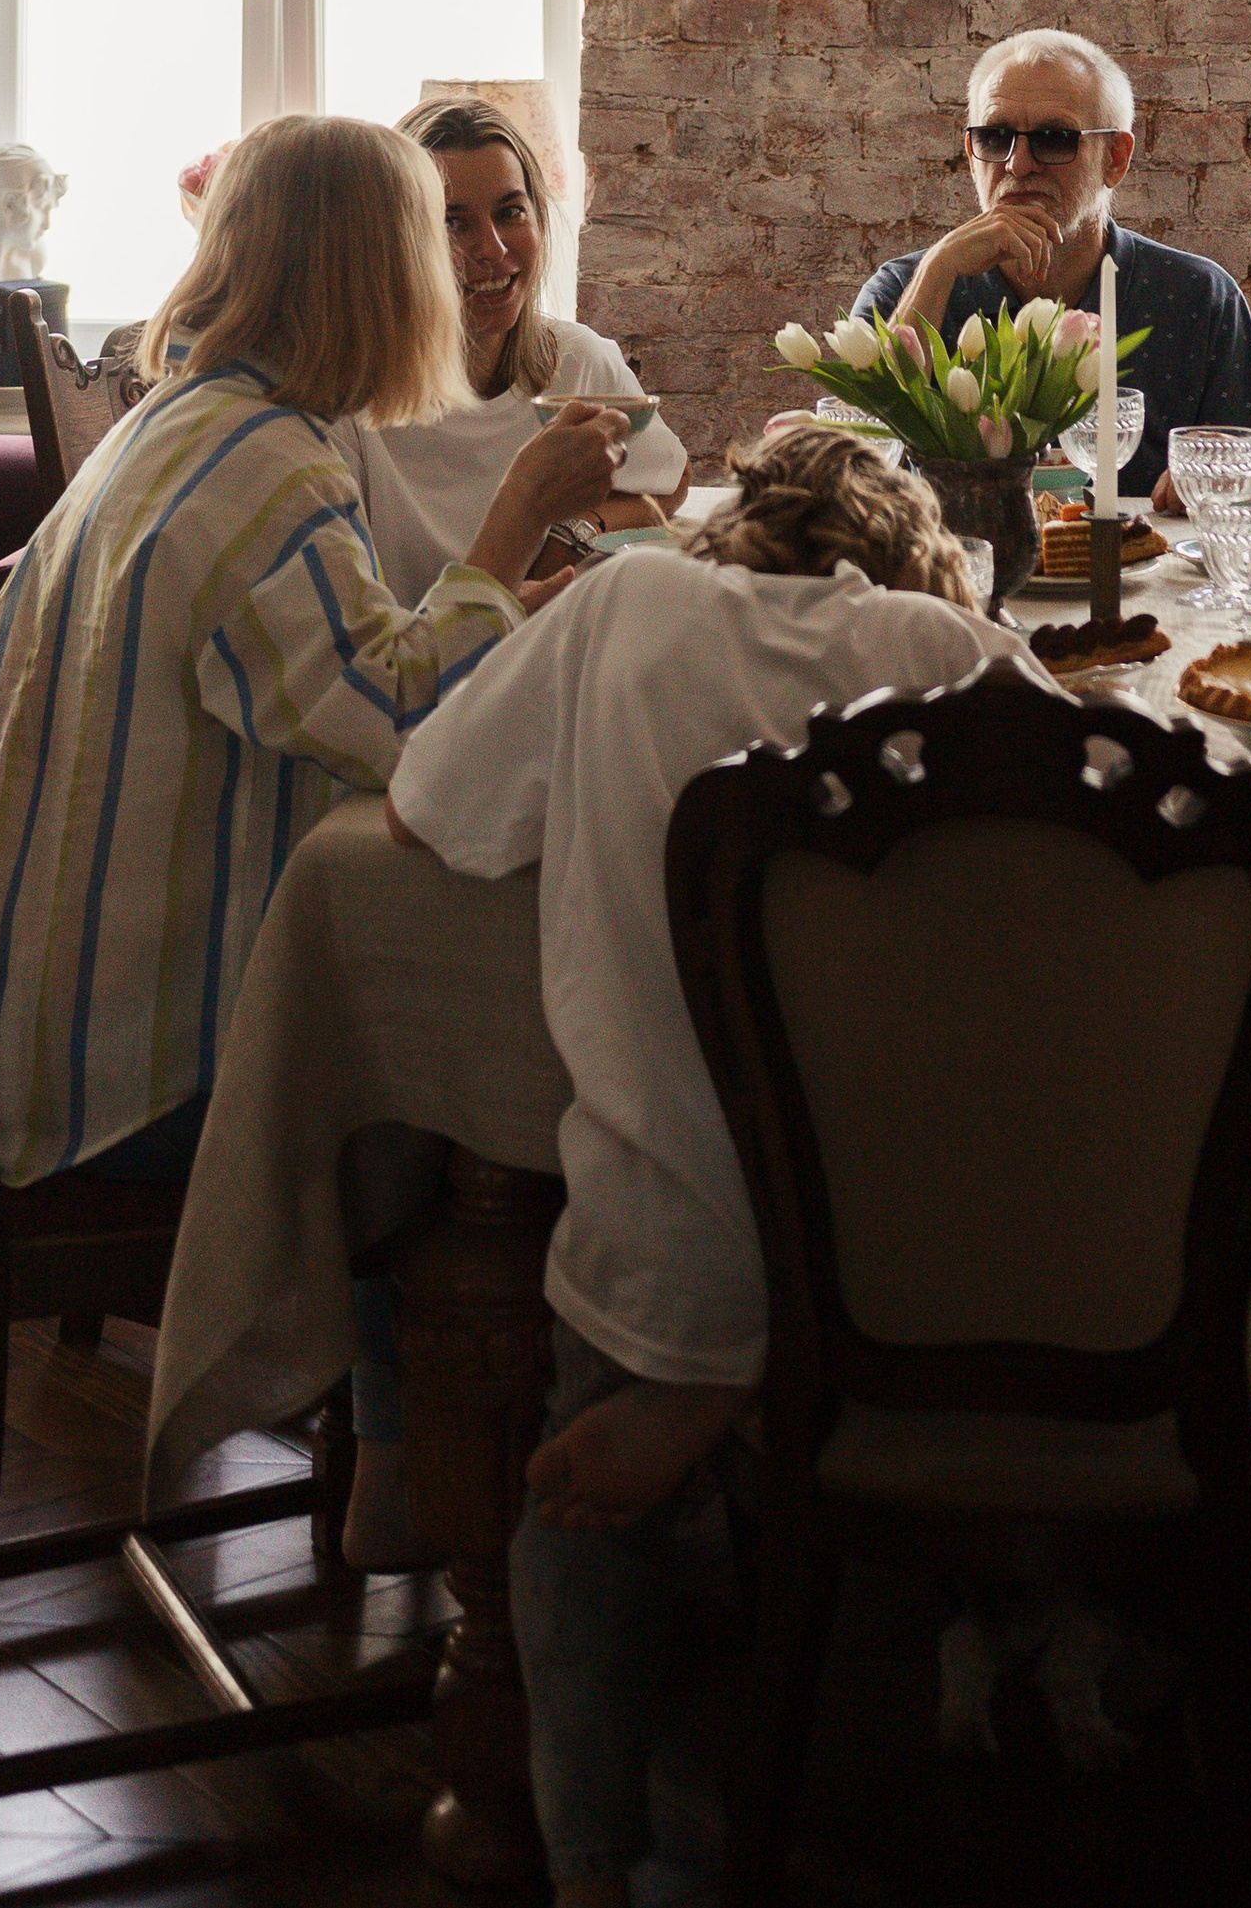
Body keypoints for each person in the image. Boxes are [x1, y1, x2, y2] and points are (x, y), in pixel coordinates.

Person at [384, 426, 1034, 1908]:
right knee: (880, 1402)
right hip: (910, 1271)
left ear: (737, 530)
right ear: (901, 552)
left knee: (578, 1476)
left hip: (661, 1235)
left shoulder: (624, 607)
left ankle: (588, 1863)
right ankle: (847, 1818)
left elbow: (433, 807)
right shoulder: (945, 646)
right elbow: (1127, 828)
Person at [0, 116, 626, 1191]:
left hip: (18, 1022)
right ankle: (426, 1349)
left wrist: (504, 606)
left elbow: (340, 668)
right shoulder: (267, 469)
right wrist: (517, 511)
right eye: (424, 249)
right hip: (110, 1080)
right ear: (379, 277)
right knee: (493, 1094)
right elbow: (398, 728)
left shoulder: (193, 421)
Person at [850, 26, 1251, 502]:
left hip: (1140, 571)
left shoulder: (1197, 297)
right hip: (952, 570)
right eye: (995, 138)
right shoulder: (906, 288)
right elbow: (847, 473)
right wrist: (937, 272)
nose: (1018, 164)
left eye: (1054, 139)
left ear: (1114, 158)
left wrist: (1230, 475)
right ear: (972, 154)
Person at [333, 95, 689, 607]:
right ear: (397, 240)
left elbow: (670, 476)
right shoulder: (348, 401)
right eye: (453, 222)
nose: (494, 249)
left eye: (511, 213)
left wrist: (571, 532)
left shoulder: (574, 359)